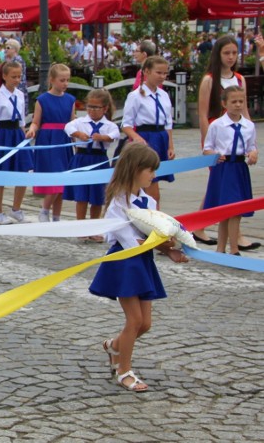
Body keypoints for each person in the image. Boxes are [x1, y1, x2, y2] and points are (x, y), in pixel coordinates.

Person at [90, 143, 188, 392]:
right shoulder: (118, 204)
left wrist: (170, 249)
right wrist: (159, 242)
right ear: (135, 169)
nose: (154, 176)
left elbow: (154, 234)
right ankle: (124, 370)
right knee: (134, 320)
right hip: (124, 263)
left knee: (145, 324)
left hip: (142, 262)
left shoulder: (148, 201)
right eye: (150, 171)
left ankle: (113, 345)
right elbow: (130, 241)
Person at [193, 34, 262, 248]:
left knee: (226, 188)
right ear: (218, 54)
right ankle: (229, 235)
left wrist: (253, 142)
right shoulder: (209, 79)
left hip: (238, 135)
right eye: (227, 53)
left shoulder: (239, 79)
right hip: (219, 135)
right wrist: (207, 145)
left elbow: (245, 111)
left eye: (234, 52)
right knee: (221, 186)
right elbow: (204, 114)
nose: (231, 57)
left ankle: (205, 227)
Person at [202, 86, 258, 256]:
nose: (238, 105)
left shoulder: (248, 126)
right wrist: (214, 154)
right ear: (224, 103)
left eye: (241, 101)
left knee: (236, 210)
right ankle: (225, 248)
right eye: (234, 101)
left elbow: (251, 146)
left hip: (239, 169)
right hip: (223, 170)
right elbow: (207, 148)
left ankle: (230, 248)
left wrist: (253, 154)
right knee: (226, 211)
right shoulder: (217, 125)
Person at [63, 89, 119, 240]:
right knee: (81, 195)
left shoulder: (109, 125)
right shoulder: (80, 122)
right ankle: (80, 227)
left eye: (96, 108)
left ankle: (94, 229)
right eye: (90, 107)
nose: (92, 111)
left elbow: (115, 135)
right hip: (81, 159)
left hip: (99, 160)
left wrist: (102, 137)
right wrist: (78, 134)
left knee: (97, 196)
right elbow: (68, 127)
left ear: (105, 108)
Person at [121, 56, 174, 206]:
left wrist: (170, 145)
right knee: (151, 188)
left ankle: (152, 216)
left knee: (155, 186)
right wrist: (136, 138)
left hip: (161, 137)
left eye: (165, 73)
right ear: (147, 71)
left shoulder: (164, 95)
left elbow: (168, 123)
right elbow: (126, 124)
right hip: (146, 138)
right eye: (159, 73)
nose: (162, 77)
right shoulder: (135, 96)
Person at [0, 61, 33, 225]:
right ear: (4, 76)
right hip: (2, 136)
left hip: (17, 135)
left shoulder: (20, 95)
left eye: (19, 76)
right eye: (13, 77)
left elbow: (21, 119)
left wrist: (24, 133)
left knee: (23, 172)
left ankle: (16, 208)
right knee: (0, 175)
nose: (17, 80)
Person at [26, 64, 75, 223]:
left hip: (64, 141)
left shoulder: (70, 100)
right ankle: (45, 209)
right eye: (62, 80)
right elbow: (36, 122)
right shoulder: (42, 100)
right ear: (52, 80)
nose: (65, 83)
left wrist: (78, 135)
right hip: (48, 142)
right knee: (56, 178)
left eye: (67, 80)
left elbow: (73, 122)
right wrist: (32, 130)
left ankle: (56, 216)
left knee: (63, 180)